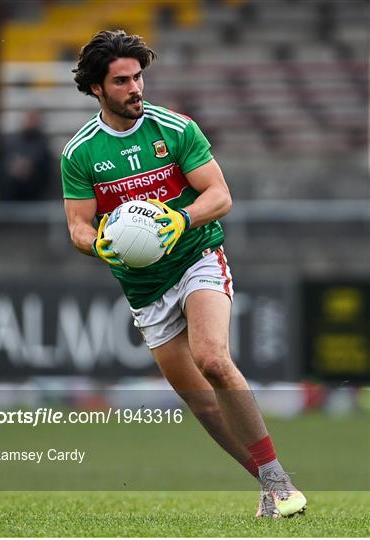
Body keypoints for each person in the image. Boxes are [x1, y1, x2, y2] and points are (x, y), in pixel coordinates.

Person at [61, 30, 307, 519]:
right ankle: (268, 484)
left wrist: (181, 218)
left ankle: (279, 481)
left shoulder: (174, 128)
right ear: (96, 89)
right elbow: (78, 228)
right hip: (145, 288)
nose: (136, 88)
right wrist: (101, 245)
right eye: (122, 81)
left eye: (138, 77)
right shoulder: (80, 153)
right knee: (202, 404)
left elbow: (220, 196)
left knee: (212, 359)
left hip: (197, 256)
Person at [0, 110, 52, 201]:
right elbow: (0, 165)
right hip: (8, 192)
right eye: (29, 119)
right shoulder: (10, 142)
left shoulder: (42, 145)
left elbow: (45, 172)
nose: (30, 123)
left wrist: (29, 170)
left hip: (33, 193)